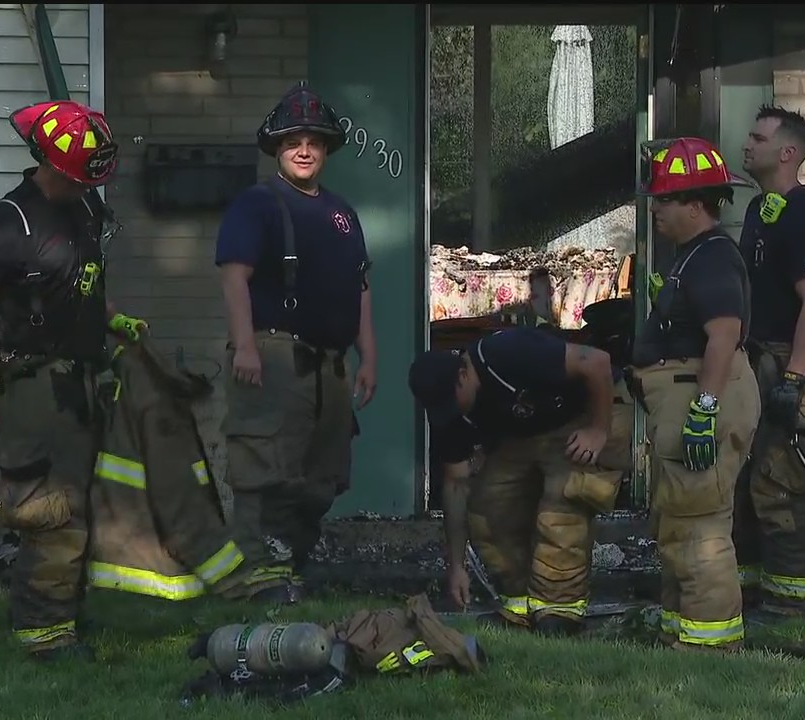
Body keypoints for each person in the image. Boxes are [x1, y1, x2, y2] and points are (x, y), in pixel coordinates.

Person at [0, 100, 146, 661]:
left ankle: (64, 612)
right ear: (57, 166)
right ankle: (43, 633)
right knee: (47, 507)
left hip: (80, 379)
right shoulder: (13, 220)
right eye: (83, 175)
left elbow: (82, 287)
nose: (89, 185)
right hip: (30, 382)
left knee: (78, 500)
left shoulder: (82, 211)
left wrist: (115, 320)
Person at [214, 82, 378, 601]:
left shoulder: (343, 213)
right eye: (292, 142)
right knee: (267, 471)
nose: (304, 149)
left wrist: (368, 355)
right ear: (276, 149)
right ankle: (256, 576)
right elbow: (234, 276)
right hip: (274, 355)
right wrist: (244, 345)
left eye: (313, 140)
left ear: (327, 147)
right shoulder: (257, 204)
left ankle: (288, 567)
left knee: (321, 476)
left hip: (330, 365)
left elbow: (360, 287)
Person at [409, 327, 635, 637]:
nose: (450, 412)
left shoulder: (506, 353)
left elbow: (596, 361)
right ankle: (519, 606)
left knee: (561, 508)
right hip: (526, 433)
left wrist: (598, 430)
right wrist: (457, 565)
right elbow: (456, 486)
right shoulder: (451, 414)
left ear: (462, 376)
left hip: (588, 411)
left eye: (451, 402)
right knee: (490, 507)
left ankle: (560, 613)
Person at [626, 136, 761, 653]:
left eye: (664, 199)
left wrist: (703, 411)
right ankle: (681, 636)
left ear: (697, 205)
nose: (655, 208)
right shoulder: (696, 255)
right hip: (685, 394)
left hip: (701, 396)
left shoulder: (712, 259)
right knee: (679, 520)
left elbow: (723, 336)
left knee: (698, 525)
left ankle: (709, 650)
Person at [733, 105, 805, 620]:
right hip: (763, 358)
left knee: (786, 479)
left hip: (798, 363)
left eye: (757, 137)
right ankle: (754, 590)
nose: (746, 144)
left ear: (787, 152)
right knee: (752, 478)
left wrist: (795, 379)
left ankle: (793, 602)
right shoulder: (763, 210)